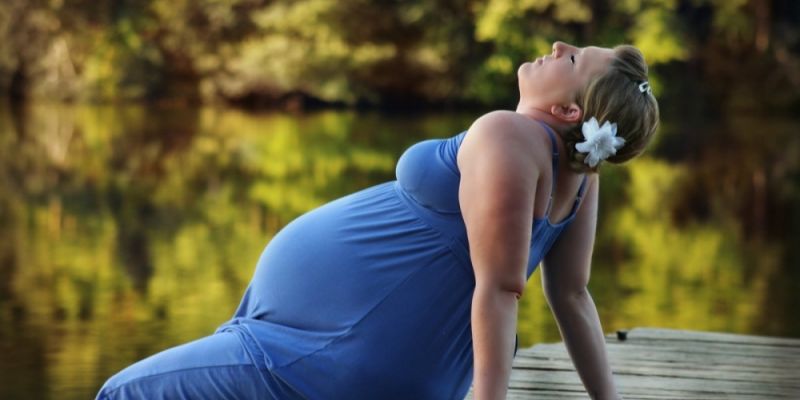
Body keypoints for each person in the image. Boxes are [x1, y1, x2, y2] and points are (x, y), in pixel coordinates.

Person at [96, 41, 659, 400]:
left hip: (320, 357)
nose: (558, 46)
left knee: (123, 393)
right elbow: (572, 296)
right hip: (366, 361)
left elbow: (501, 288)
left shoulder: (508, 133)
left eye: (572, 60)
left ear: (568, 111)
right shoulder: (581, 175)